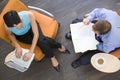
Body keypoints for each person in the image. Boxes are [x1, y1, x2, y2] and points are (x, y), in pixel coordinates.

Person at [3, 10, 70, 72]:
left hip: (32, 28)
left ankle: (52, 57)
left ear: (20, 19)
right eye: (13, 27)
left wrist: (31, 51)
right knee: (43, 41)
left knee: (41, 41)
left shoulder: (29, 15)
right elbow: (11, 35)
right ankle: (59, 45)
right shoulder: (7, 26)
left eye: (16, 26)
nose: (15, 28)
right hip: (22, 36)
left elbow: (36, 34)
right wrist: (17, 46)